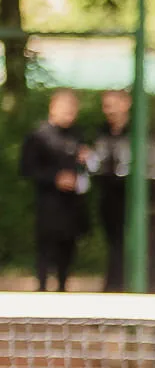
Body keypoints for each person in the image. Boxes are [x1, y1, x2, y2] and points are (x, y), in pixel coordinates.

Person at [18, 90, 90, 291]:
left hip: (72, 203)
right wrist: (55, 178)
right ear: (53, 108)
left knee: (68, 245)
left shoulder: (78, 136)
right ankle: (42, 286)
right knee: (46, 245)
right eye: (65, 109)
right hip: (48, 202)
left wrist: (84, 162)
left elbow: (87, 168)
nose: (69, 114)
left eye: (72, 110)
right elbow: (27, 169)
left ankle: (62, 286)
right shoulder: (38, 136)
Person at [92, 90, 133, 292]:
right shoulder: (100, 132)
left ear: (126, 104)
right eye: (106, 105)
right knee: (114, 241)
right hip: (109, 196)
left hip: (131, 196)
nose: (109, 110)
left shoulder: (137, 132)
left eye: (113, 104)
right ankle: (114, 285)